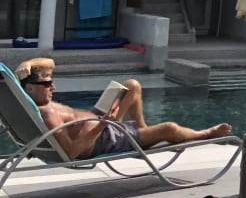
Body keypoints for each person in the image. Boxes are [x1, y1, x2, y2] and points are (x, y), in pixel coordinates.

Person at [14, 57, 231, 161]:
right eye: (47, 83)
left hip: (99, 119)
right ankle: (206, 134)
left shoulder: (31, 102)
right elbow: (71, 153)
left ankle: (142, 133)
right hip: (105, 137)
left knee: (132, 86)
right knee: (170, 128)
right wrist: (102, 125)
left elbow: (50, 62)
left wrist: (29, 64)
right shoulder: (48, 114)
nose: (53, 86)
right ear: (30, 88)